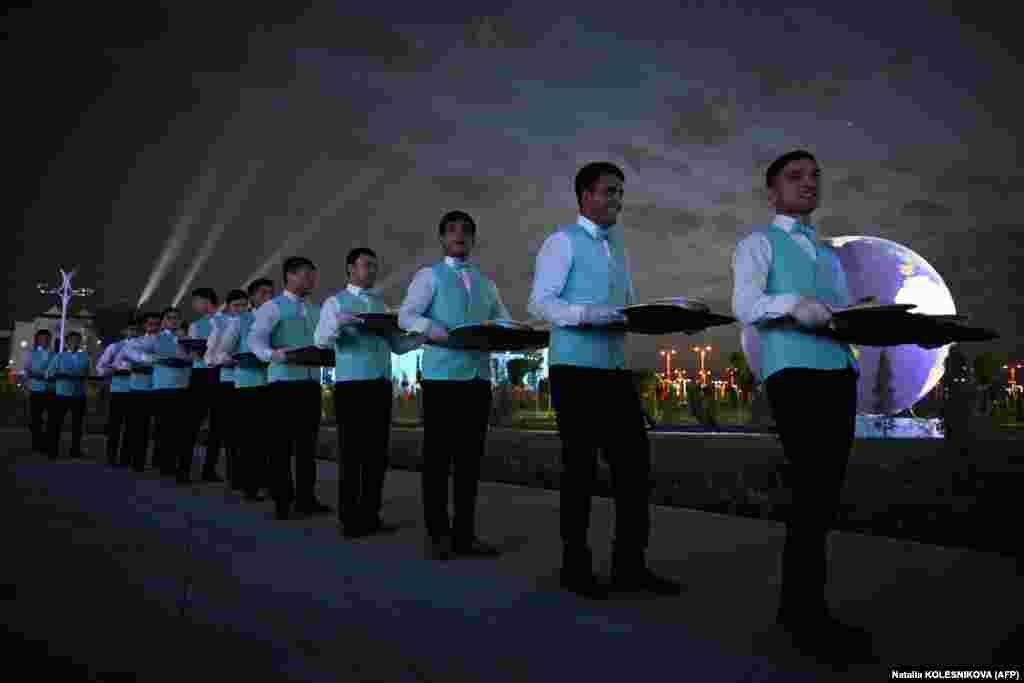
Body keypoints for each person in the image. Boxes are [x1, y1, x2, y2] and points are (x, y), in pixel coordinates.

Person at [731, 149, 871, 656]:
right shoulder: (756, 244)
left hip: (839, 374)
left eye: (815, 176)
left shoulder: (829, 253)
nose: (808, 183)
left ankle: (803, 609)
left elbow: (835, 317)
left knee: (824, 495)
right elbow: (744, 305)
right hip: (794, 374)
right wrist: (793, 303)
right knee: (812, 492)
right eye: (795, 177)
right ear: (772, 191)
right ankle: (805, 619)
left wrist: (882, 324)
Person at [528, 161, 682, 599]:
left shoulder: (618, 249)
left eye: (619, 192)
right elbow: (540, 303)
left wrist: (669, 319)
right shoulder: (563, 242)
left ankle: (629, 567)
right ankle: (574, 567)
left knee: (634, 470)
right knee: (579, 470)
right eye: (608, 191)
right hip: (575, 370)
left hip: (615, 372)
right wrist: (586, 315)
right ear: (585, 197)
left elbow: (628, 311)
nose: (616, 200)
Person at [398, 210, 509, 561]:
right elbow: (406, 316)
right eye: (452, 231)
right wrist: (435, 331)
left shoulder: (486, 283)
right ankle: (438, 534)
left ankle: (465, 534)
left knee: (469, 461)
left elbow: (502, 320)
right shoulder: (429, 276)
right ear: (442, 239)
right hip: (441, 379)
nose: (460, 236)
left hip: (477, 379)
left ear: (474, 239)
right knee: (437, 459)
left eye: (466, 231)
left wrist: (514, 332)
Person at [315, 247, 425, 539]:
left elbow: (397, 346)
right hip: (351, 386)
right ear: (351, 269)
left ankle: (371, 515)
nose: (373, 271)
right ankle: (350, 520)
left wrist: (422, 337)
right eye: (367, 265)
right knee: (352, 453)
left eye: (375, 266)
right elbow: (321, 341)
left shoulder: (380, 303)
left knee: (377, 454)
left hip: (379, 385)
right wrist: (339, 323)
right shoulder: (335, 302)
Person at [248, 257, 332, 520]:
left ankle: (306, 499)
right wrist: (274, 355)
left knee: (307, 445)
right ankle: (282, 501)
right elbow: (255, 340)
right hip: (282, 384)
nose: (312, 281)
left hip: (309, 383)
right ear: (290, 276)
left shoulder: (316, 309)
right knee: (280, 446)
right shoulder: (272, 307)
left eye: (313, 276)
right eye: (307, 276)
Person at [206, 278, 276, 501]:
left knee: (269, 438)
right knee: (249, 438)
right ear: (252, 298)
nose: (267, 298)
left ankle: (268, 481)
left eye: (270, 293)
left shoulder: (277, 318)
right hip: (247, 383)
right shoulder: (239, 321)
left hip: (274, 382)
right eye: (263, 293)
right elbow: (220, 354)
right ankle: (249, 485)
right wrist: (235, 360)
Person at [125, 307, 193, 479]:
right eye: (169, 318)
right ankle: (165, 465)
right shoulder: (156, 338)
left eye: (176, 318)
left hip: (184, 386)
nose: (173, 321)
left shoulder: (186, 338)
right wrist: (152, 359)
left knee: (178, 429)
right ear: (163, 321)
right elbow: (130, 349)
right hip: (163, 387)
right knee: (164, 429)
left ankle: (171, 464)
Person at [206, 290, 249, 490]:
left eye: (244, 305)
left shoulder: (252, 321)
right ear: (228, 306)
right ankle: (236, 476)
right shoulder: (220, 326)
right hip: (227, 381)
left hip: (248, 381)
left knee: (246, 431)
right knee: (232, 432)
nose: (240, 309)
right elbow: (210, 358)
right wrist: (228, 360)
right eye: (236, 306)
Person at [186, 288, 226, 483]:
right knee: (193, 421)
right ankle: (184, 469)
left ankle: (209, 469)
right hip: (203, 373)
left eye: (196, 302)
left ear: (206, 301)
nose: (194, 306)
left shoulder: (227, 321)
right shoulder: (195, 325)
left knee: (218, 424)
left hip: (218, 373)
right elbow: (193, 353)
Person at [123, 312, 162, 471]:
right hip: (139, 388)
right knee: (138, 427)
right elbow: (137, 359)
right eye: (150, 323)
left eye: (156, 324)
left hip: (160, 387)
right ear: (144, 325)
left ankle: (158, 462)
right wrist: (157, 361)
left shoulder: (166, 342)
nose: (153, 327)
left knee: (160, 427)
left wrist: (144, 362)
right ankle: (136, 461)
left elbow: (141, 361)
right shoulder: (134, 342)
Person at [45, 331, 90, 460]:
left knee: (77, 425)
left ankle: (75, 450)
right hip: (62, 393)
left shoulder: (85, 357)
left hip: (78, 394)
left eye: (77, 340)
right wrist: (61, 375)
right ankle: (53, 451)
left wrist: (83, 377)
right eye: (72, 340)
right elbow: (48, 374)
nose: (74, 343)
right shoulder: (59, 356)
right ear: (67, 342)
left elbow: (87, 373)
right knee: (56, 423)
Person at [96, 324, 137, 466]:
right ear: (123, 331)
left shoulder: (143, 346)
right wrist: (112, 371)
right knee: (115, 425)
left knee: (131, 426)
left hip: (136, 390)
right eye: (130, 329)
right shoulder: (114, 347)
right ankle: (111, 457)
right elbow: (100, 368)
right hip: (118, 389)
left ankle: (126, 458)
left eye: (135, 329)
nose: (132, 332)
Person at [22, 329, 56, 453]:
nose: (44, 341)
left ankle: (47, 443)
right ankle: (37, 443)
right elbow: (27, 369)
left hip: (50, 390)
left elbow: (55, 370)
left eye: (46, 339)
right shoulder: (30, 354)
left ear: (50, 340)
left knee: (51, 419)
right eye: (41, 339)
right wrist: (28, 383)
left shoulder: (55, 354)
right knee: (35, 419)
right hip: (36, 389)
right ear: (37, 340)